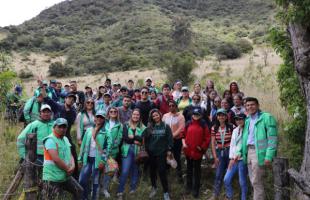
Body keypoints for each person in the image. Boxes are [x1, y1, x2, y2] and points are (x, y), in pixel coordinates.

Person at [236, 97, 278, 200]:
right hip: (248, 152)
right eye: (247, 105)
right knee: (253, 181)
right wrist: (239, 151)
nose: (250, 107)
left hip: (259, 152)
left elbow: (272, 138)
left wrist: (269, 155)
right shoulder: (248, 120)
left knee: (256, 181)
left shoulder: (266, 117)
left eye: (252, 104)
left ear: (258, 105)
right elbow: (245, 138)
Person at [42, 118, 83, 200]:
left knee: (79, 191)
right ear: (54, 127)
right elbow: (56, 159)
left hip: (64, 176)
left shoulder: (65, 139)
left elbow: (70, 154)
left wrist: (73, 165)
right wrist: (68, 169)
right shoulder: (50, 140)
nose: (62, 129)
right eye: (59, 127)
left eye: (64, 127)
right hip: (52, 177)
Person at [43, 92, 79, 179]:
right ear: (65, 99)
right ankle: (59, 172)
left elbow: (69, 123)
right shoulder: (58, 107)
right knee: (55, 155)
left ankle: (74, 176)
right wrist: (42, 89)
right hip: (55, 135)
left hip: (66, 136)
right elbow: (48, 99)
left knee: (72, 153)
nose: (71, 100)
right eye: (69, 98)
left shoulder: (73, 112)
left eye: (73, 99)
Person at [117, 109, 146, 199]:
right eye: (134, 114)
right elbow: (125, 138)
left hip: (137, 151)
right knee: (125, 171)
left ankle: (133, 189)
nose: (136, 116)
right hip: (127, 150)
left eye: (137, 115)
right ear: (131, 115)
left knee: (135, 170)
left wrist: (133, 137)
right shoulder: (126, 124)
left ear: (140, 116)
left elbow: (142, 140)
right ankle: (120, 191)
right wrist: (136, 139)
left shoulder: (143, 127)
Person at [145, 109, 173, 200]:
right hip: (151, 153)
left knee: (162, 171)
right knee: (152, 171)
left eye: (157, 115)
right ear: (151, 118)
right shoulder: (150, 127)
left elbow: (170, 139)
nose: (155, 117)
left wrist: (169, 149)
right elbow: (143, 137)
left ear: (160, 115)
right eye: (153, 116)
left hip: (162, 153)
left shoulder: (165, 126)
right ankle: (154, 187)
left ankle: (165, 192)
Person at [182, 107, 211, 198]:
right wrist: (184, 144)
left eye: (197, 114)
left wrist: (202, 147)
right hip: (188, 151)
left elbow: (207, 138)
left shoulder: (203, 125)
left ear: (201, 115)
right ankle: (188, 187)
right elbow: (183, 135)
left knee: (197, 171)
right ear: (192, 115)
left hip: (197, 151)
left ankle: (196, 189)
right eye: (194, 114)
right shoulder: (188, 123)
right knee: (189, 169)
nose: (195, 116)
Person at [78, 111, 107, 200]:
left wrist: (103, 160)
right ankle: (85, 197)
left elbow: (107, 148)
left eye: (101, 117)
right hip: (88, 159)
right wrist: (80, 158)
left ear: (104, 120)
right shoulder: (89, 130)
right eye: (97, 117)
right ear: (95, 118)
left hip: (97, 161)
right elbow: (83, 145)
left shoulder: (106, 132)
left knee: (95, 181)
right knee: (82, 180)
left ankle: (94, 197)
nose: (99, 119)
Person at [210, 109, 234, 200]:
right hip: (220, 152)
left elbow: (235, 141)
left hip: (230, 152)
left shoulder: (231, 126)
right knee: (218, 174)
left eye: (223, 115)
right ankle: (215, 194)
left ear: (226, 116)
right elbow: (212, 143)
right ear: (217, 117)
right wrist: (215, 157)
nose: (221, 117)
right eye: (219, 115)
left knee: (229, 174)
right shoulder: (214, 128)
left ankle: (228, 195)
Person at [223, 113, 248, 200]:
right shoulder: (235, 130)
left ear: (245, 119)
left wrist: (236, 157)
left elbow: (243, 145)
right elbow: (232, 145)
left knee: (242, 181)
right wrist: (231, 158)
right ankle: (230, 196)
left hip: (242, 159)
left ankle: (243, 198)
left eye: (241, 119)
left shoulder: (248, 130)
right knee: (226, 179)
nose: (238, 121)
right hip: (233, 159)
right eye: (237, 119)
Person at [102, 106, 123, 198]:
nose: (113, 112)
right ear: (108, 113)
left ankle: (105, 189)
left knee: (109, 171)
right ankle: (97, 187)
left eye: (115, 111)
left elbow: (118, 139)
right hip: (101, 150)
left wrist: (110, 148)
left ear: (117, 113)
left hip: (112, 152)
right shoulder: (104, 123)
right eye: (111, 111)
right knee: (99, 169)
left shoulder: (120, 125)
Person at [163, 100, 185, 182]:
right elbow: (163, 126)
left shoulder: (180, 116)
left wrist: (171, 137)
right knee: (167, 156)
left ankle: (179, 176)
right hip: (166, 141)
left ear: (176, 106)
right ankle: (167, 174)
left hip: (176, 140)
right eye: (170, 105)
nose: (171, 107)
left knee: (177, 157)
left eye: (173, 105)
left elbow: (181, 128)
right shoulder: (165, 116)